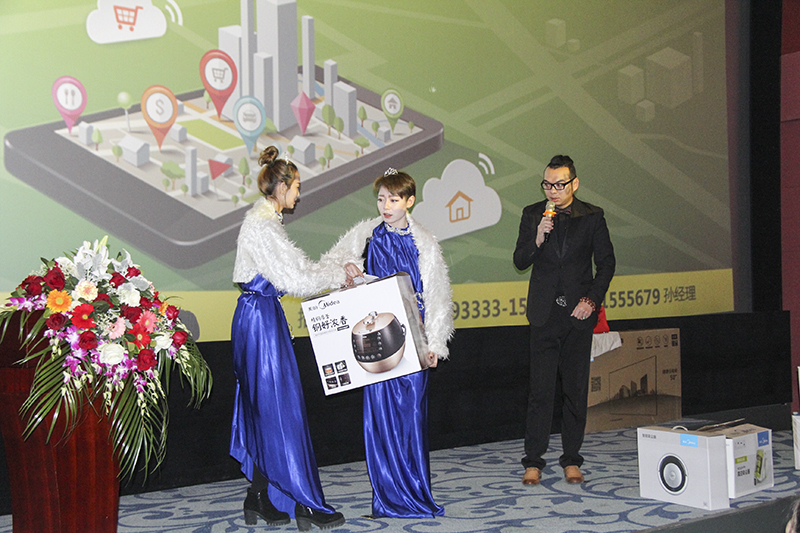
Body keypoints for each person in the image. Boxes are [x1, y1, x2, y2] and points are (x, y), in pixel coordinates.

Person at [323, 168, 454, 518]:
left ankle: (415, 496)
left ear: (409, 201)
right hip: (376, 341)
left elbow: (438, 296)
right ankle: (386, 499)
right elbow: (334, 268)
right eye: (381, 199)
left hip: (413, 340)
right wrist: (346, 271)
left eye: (393, 199)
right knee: (380, 420)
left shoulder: (423, 242)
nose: (385, 206)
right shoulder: (365, 236)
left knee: (411, 417)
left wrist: (435, 343)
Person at [230, 146, 348, 531]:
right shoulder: (263, 226)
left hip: (258, 317)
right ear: (281, 187)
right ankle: (305, 504)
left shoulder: (264, 220)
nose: (299, 193)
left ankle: (260, 497)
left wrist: (335, 272)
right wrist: (339, 275)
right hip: (260, 321)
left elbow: (295, 272)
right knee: (282, 410)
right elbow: (298, 279)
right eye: (296, 186)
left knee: (265, 408)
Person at [513, 154, 615, 486]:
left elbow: (607, 264)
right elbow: (520, 259)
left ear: (575, 183)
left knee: (575, 390)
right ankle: (533, 461)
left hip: (577, 315)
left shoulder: (593, 216)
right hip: (544, 314)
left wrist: (591, 300)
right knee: (540, 392)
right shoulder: (533, 214)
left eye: (559, 185)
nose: (553, 191)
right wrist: (537, 237)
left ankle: (572, 459)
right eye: (547, 184)